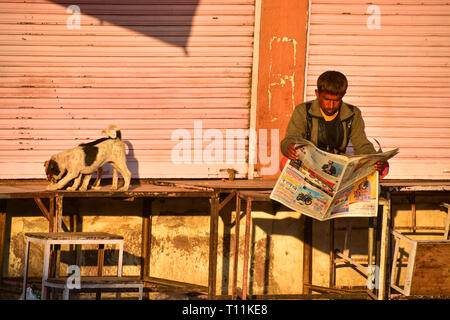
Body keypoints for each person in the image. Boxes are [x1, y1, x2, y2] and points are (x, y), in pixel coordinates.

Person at [280, 70, 388, 177]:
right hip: (311, 163)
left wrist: (374, 159)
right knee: (285, 162)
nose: (331, 106)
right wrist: (289, 147)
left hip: (339, 164)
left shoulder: (353, 113)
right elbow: (291, 138)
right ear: (317, 94)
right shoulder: (303, 110)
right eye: (326, 99)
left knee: (383, 168)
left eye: (336, 100)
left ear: (343, 95)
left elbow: (362, 144)